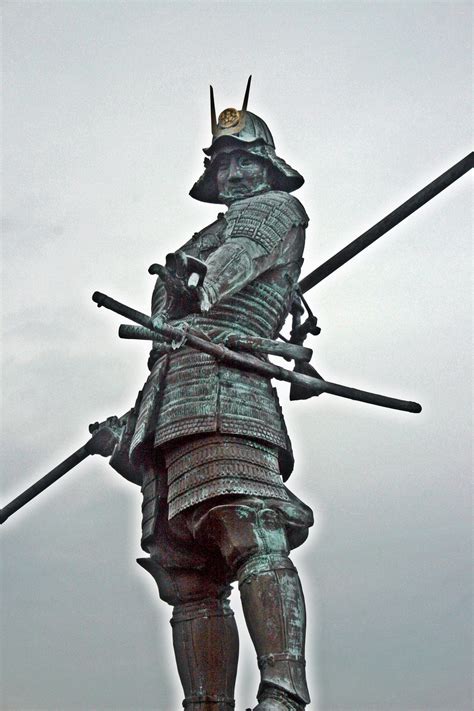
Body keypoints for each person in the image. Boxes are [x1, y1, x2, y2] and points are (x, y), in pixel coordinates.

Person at [98, 80, 314, 711]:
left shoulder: (273, 212)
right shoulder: (199, 238)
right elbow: (164, 348)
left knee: (251, 528)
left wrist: (201, 276)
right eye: (224, 163)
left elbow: (235, 265)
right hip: (174, 402)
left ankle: (282, 693)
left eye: (246, 159)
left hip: (230, 391)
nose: (236, 173)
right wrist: (128, 438)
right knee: (189, 574)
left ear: (268, 167)